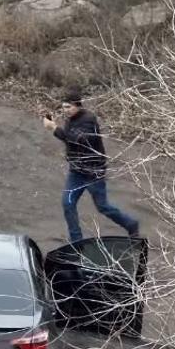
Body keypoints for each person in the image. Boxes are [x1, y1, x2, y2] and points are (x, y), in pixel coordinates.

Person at [42, 89, 139, 242]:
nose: (65, 110)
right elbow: (69, 140)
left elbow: (78, 139)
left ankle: (131, 224)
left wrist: (54, 128)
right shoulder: (71, 120)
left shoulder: (89, 120)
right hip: (77, 171)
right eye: (63, 107)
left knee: (102, 206)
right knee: (67, 203)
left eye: (68, 107)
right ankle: (76, 240)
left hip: (93, 172)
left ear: (77, 105)